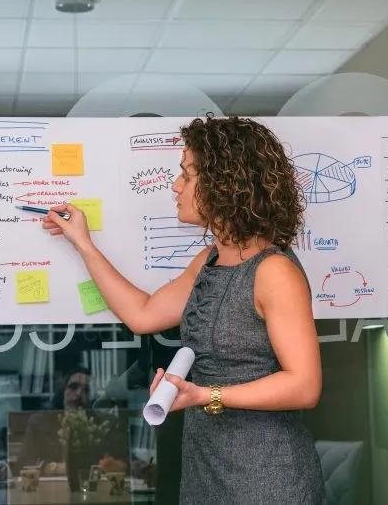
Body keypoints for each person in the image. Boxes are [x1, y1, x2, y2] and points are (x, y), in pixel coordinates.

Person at [42, 115, 324, 504]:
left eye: (187, 175)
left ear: (226, 184)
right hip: (208, 467)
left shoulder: (274, 272)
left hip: (266, 476)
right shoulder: (210, 259)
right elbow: (142, 314)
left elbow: (304, 385)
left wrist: (205, 395)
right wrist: (84, 245)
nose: (176, 186)